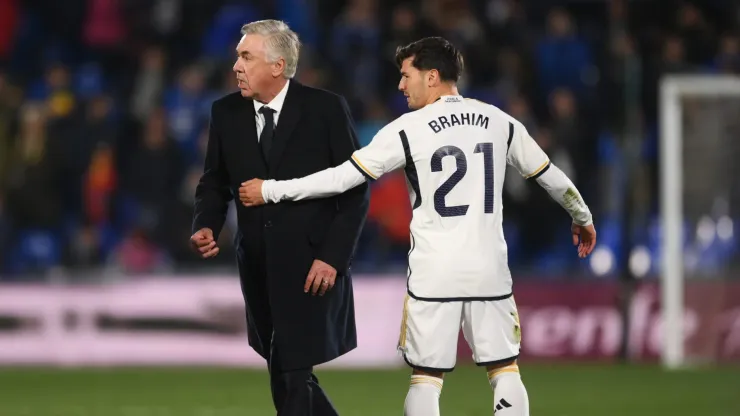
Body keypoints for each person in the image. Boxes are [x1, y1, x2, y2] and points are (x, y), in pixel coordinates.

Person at [240, 37, 597, 416]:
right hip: (488, 268)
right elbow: (551, 177)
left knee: (426, 377)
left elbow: (343, 178)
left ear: (431, 77)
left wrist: (273, 189)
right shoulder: (500, 121)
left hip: (434, 271)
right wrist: (583, 217)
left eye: (405, 75)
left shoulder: (408, 129)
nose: (400, 85)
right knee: (504, 369)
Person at [190, 20, 369, 416]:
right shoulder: (225, 112)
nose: (236, 65)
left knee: (291, 367)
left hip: (310, 264)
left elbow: (355, 192)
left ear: (278, 65)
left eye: (246, 56)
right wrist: (206, 222)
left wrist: (333, 258)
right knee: (286, 369)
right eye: (238, 55)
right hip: (255, 262)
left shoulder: (325, 109)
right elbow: (215, 182)